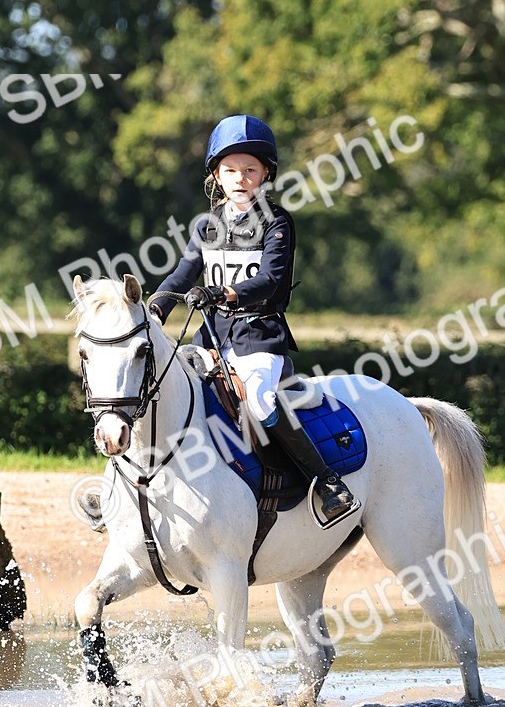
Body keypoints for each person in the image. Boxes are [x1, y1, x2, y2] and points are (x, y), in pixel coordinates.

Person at [149, 114, 357, 524]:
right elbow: (182, 274)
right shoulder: (207, 225)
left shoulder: (277, 222)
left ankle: (326, 482)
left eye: (249, 170)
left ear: (265, 174)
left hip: (259, 336)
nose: (240, 178)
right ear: (216, 175)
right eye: (230, 170)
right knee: (167, 389)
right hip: (212, 338)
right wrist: (155, 308)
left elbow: (270, 279)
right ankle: (140, 486)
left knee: (260, 403)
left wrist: (223, 293)